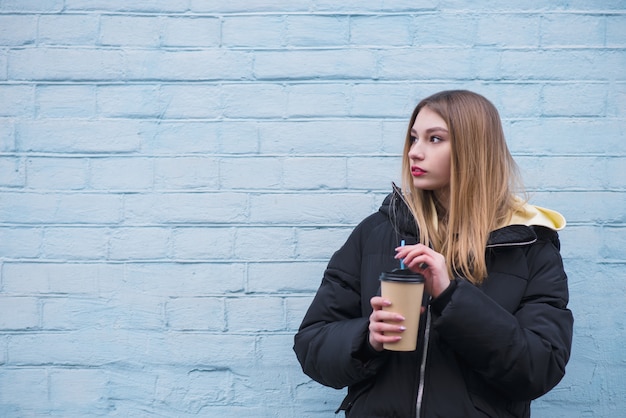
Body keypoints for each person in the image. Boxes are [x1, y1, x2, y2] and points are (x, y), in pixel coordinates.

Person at [293, 90, 574, 417]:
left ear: (474, 150)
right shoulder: (377, 232)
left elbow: (539, 368)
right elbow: (312, 344)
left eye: (434, 139)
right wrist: (366, 338)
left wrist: (451, 296)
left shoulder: (529, 246)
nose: (414, 152)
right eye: (413, 139)